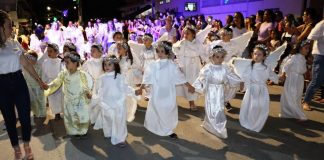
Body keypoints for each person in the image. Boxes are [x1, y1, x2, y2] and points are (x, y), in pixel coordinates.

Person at [0, 10, 47, 160]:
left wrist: (39, 81)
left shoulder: (14, 43)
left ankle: (26, 145)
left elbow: (26, 63)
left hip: (19, 81)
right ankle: (16, 149)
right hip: (2, 85)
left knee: (25, 116)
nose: (11, 28)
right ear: (0, 27)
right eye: (8, 25)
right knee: (9, 119)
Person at [136, 41, 195, 139]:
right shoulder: (153, 65)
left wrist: (189, 86)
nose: (159, 54)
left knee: (168, 109)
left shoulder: (172, 65)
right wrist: (141, 88)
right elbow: (147, 77)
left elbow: (180, 76)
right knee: (157, 108)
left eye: (162, 51)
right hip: (157, 92)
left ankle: (168, 129)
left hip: (168, 92)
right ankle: (158, 127)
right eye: (158, 51)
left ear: (167, 52)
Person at [193, 46, 242, 138]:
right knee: (211, 108)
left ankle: (219, 126)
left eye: (222, 57)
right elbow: (201, 78)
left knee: (219, 108)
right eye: (217, 57)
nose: (220, 59)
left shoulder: (225, 67)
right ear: (212, 57)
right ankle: (210, 125)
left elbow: (231, 76)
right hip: (211, 90)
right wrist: (197, 86)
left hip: (220, 90)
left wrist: (240, 80)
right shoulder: (208, 68)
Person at [91, 56, 137, 147]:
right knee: (108, 119)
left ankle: (120, 138)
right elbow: (99, 90)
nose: (106, 66)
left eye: (109, 64)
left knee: (119, 121)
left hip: (118, 102)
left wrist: (134, 91)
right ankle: (108, 133)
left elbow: (125, 88)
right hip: (106, 102)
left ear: (115, 65)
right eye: (105, 65)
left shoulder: (120, 77)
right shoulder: (101, 78)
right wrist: (96, 98)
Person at [45, 52, 92, 138]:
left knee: (81, 116)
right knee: (70, 116)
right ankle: (73, 131)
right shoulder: (64, 73)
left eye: (68, 62)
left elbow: (85, 85)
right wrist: (48, 86)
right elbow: (57, 82)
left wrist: (88, 93)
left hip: (79, 100)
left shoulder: (81, 74)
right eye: (65, 62)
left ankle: (82, 131)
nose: (65, 64)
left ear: (75, 63)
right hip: (68, 100)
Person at [239, 44, 279, 132]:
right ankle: (249, 122)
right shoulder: (250, 66)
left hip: (262, 90)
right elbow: (245, 76)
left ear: (264, 57)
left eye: (259, 54)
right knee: (252, 106)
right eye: (255, 54)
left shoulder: (266, 68)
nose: (256, 56)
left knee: (260, 106)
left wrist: (278, 78)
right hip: (252, 89)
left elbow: (273, 76)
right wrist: (242, 83)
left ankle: (257, 122)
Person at [173, 26, 207, 111]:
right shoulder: (182, 43)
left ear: (193, 34)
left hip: (196, 64)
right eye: (184, 33)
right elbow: (178, 54)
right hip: (186, 64)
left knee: (196, 81)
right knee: (188, 82)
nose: (185, 35)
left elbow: (202, 54)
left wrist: (208, 62)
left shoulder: (198, 43)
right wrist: (180, 65)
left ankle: (193, 100)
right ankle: (191, 102)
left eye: (188, 33)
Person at [279, 40, 310, 121]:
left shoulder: (303, 58)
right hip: (292, 79)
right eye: (306, 48)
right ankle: (299, 115)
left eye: (308, 48)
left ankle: (291, 113)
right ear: (300, 49)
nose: (308, 50)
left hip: (299, 79)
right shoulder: (295, 57)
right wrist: (283, 74)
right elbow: (286, 65)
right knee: (291, 95)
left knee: (297, 96)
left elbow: (303, 69)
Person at [303, 19, 324, 111]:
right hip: (320, 55)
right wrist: (309, 53)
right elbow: (310, 38)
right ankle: (306, 101)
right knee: (317, 80)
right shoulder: (321, 24)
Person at [82, 44, 104, 124]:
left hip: (102, 85)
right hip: (92, 86)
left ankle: (98, 119)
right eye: (91, 51)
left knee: (100, 103)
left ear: (100, 52)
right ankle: (91, 118)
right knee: (92, 102)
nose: (91, 52)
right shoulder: (88, 63)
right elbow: (83, 74)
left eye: (94, 51)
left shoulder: (104, 61)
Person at [42, 43, 64, 120]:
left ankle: (63, 112)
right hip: (50, 83)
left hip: (59, 83)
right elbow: (44, 73)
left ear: (56, 52)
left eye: (51, 51)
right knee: (53, 99)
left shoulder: (61, 62)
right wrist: (44, 83)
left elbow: (62, 72)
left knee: (61, 98)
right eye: (48, 51)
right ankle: (56, 113)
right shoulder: (45, 62)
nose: (49, 53)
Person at [22, 50, 46, 118]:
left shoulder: (39, 66)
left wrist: (42, 84)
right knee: (33, 101)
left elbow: (42, 76)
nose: (28, 61)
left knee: (40, 100)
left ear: (35, 60)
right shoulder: (25, 68)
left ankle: (42, 113)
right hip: (29, 86)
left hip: (38, 87)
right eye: (27, 59)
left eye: (29, 59)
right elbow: (25, 76)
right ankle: (36, 112)